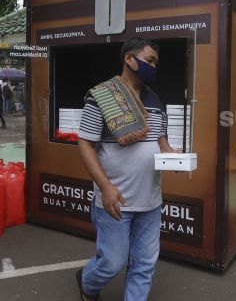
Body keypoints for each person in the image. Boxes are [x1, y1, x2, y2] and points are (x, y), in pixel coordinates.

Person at [76, 38, 177, 301]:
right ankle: (87, 282)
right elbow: (85, 144)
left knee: (144, 264)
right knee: (112, 262)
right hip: (114, 199)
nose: (154, 67)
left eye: (156, 63)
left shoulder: (155, 99)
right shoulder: (102, 96)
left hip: (150, 200)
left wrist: (175, 158)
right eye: (149, 61)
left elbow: (161, 140)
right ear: (129, 59)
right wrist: (105, 187)